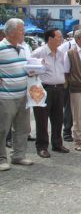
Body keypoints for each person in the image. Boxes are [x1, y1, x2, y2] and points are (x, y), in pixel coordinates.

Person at [0, 18, 33, 171]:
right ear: (12, 32)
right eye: (21, 30)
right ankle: (1, 159)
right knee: (2, 129)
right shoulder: (0, 47)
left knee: (23, 128)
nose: (23, 32)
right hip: (5, 97)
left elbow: (26, 67)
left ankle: (19, 155)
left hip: (23, 95)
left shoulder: (23, 48)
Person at [31, 28, 69, 158]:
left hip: (59, 89)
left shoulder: (60, 53)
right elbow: (29, 70)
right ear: (50, 39)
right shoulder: (38, 53)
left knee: (58, 118)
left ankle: (57, 144)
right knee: (42, 119)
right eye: (59, 36)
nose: (61, 39)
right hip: (43, 89)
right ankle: (42, 147)